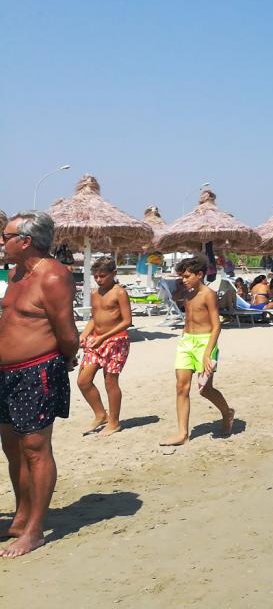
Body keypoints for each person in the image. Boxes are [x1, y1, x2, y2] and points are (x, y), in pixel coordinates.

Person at [0, 211, 78, 557]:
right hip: (6, 373)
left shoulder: (54, 276)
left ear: (26, 241)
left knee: (35, 448)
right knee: (12, 448)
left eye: (7, 236)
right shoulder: (16, 273)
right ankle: (21, 515)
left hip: (37, 370)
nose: (2, 242)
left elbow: (67, 332)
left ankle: (35, 529)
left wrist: (65, 359)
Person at [161, 257, 234, 446]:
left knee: (205, 389)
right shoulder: (186, 292)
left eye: (186, 276)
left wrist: (208, 353)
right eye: (181, 276)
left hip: (205, 342)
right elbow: (174, 296)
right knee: (181, 387)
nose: (183, 279)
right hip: (186, 341)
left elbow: (217, 325)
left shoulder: (208, 294)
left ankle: (227, 413)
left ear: (199, 275)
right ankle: (182, 433)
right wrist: (179, 283)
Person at [77, 257, 133, 436]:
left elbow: (127, 321)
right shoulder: (95, 293)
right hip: (96, 340)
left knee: (110, 382)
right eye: (96, 276)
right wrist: (85, 333)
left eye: (103, 276)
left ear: (113, 274)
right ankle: (100, 414)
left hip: (116, 341)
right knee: (83, 381)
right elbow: (96, 318)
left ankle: (114, 422)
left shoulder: (119, 293)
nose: (99, 279)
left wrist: (104, 337)